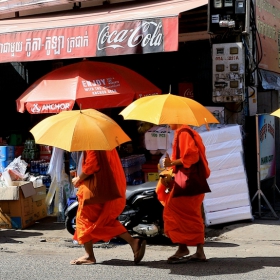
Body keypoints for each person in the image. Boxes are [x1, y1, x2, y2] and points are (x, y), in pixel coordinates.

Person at [70, 149, 146, 265]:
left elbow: (92, 165)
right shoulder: (106, 145)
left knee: (84, 220)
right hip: (105, 188)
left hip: (93, 190)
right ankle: (134, 242)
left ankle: (89, 256)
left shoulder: (93, 143)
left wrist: (78, 178)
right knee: (104, 221)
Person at [156, 124, 210, 264]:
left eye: (170, 120)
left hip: (188, 183)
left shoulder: (183, 133)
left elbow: (192, 157)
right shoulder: (187, 132)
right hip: (193, 183)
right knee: (192, 215)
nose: (169, 123)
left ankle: (183, 248)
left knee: (173, 211)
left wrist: (171, 162)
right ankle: (199, 251)